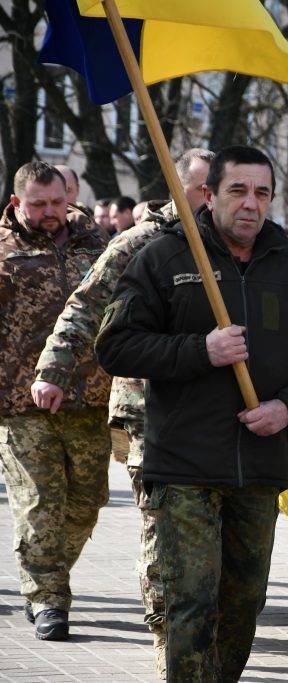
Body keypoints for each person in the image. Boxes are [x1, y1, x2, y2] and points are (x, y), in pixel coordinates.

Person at [95, 146, 288, 681]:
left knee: (244, 603)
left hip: (258, 467)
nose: (250, 204)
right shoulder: (166, 257)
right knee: (190, 605)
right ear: (208, 195)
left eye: (262, 193)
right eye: (237, 190)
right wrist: (200, 350)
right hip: (184, 464)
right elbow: (115, 346)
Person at [33, 148, 213, 674]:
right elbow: (84, 307)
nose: (213, 198)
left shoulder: (236, 245)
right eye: (202, 188)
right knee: (159, 520)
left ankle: (204, 617)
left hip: (211, 411)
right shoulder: (139, 244)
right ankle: (165, 633)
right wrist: (52, 370)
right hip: (146, 408)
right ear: (180, 189)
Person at [0, 162, 110, 641]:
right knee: (40, 503)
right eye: (38, 204)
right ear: (17, 203)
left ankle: (44, 573)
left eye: (56, 202)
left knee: (86, 501)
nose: (49, 213)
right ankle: (47, 598)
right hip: (23, 402)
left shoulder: (96, 244)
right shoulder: (4, 252)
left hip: (90, 398)